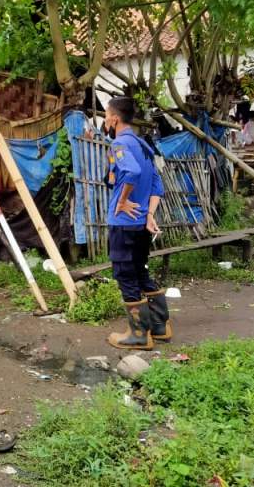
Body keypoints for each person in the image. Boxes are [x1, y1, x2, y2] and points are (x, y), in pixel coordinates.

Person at [103, 97, 170, 350]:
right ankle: (160, 326)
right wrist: (150, 215)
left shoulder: (119, 144)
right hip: (142, 222)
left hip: (123, 222)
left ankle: (139, 334)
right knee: (141, 271)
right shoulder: (144, 146)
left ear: (115, 118)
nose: (105, 119)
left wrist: (121, 201)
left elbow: (132, 172)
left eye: (106, 114)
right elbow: (156, 184)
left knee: (124, 273)